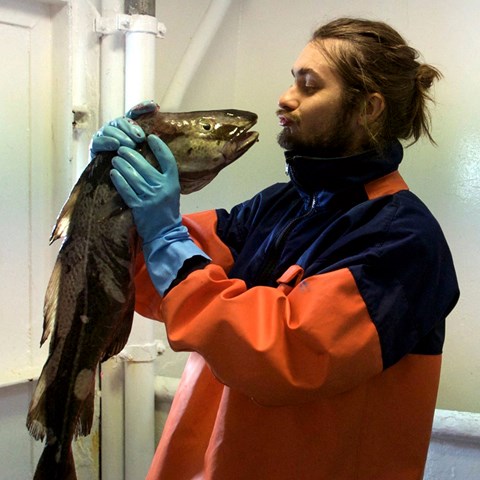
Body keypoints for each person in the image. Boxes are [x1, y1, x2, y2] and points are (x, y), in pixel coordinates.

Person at [92, 17, 459, 480]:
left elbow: (284, 354)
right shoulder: (279, 205)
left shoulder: (402, 239)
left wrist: (166, 237)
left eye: (309, 86)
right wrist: (111, 188)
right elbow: (149, 281)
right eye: (293, 80)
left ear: (368, 108)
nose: (286, 98)